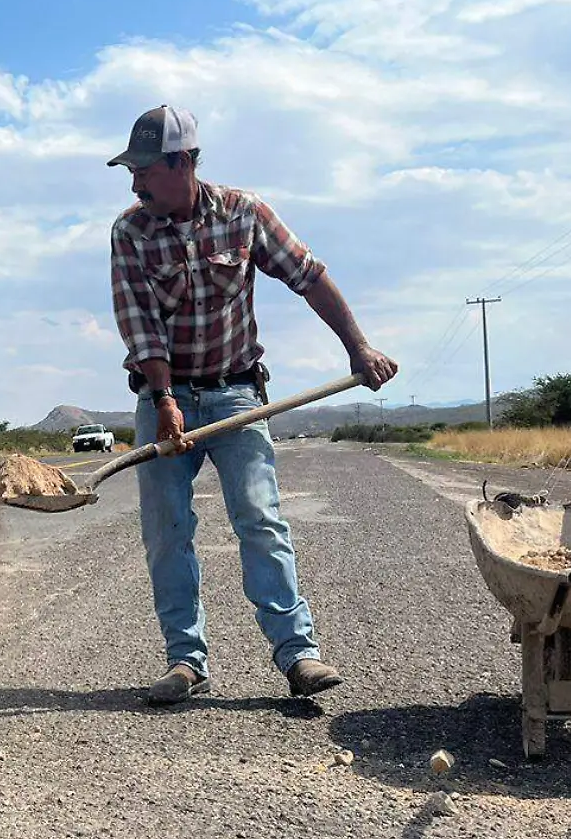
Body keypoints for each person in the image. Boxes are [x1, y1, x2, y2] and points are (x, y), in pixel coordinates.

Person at [107, 104, 398, 705]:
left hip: (237, 391)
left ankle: (299, 655)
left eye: (144, 170)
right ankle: (185, 660)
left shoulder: (245, 213)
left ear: (183, 162)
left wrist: (358, 347)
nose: (135, 183)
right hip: (163, 395)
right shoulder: (130, 232)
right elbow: (140, 327)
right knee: (168, 531)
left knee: (260, 521)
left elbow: (309, 276)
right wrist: (164, 398)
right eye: (131, 171)